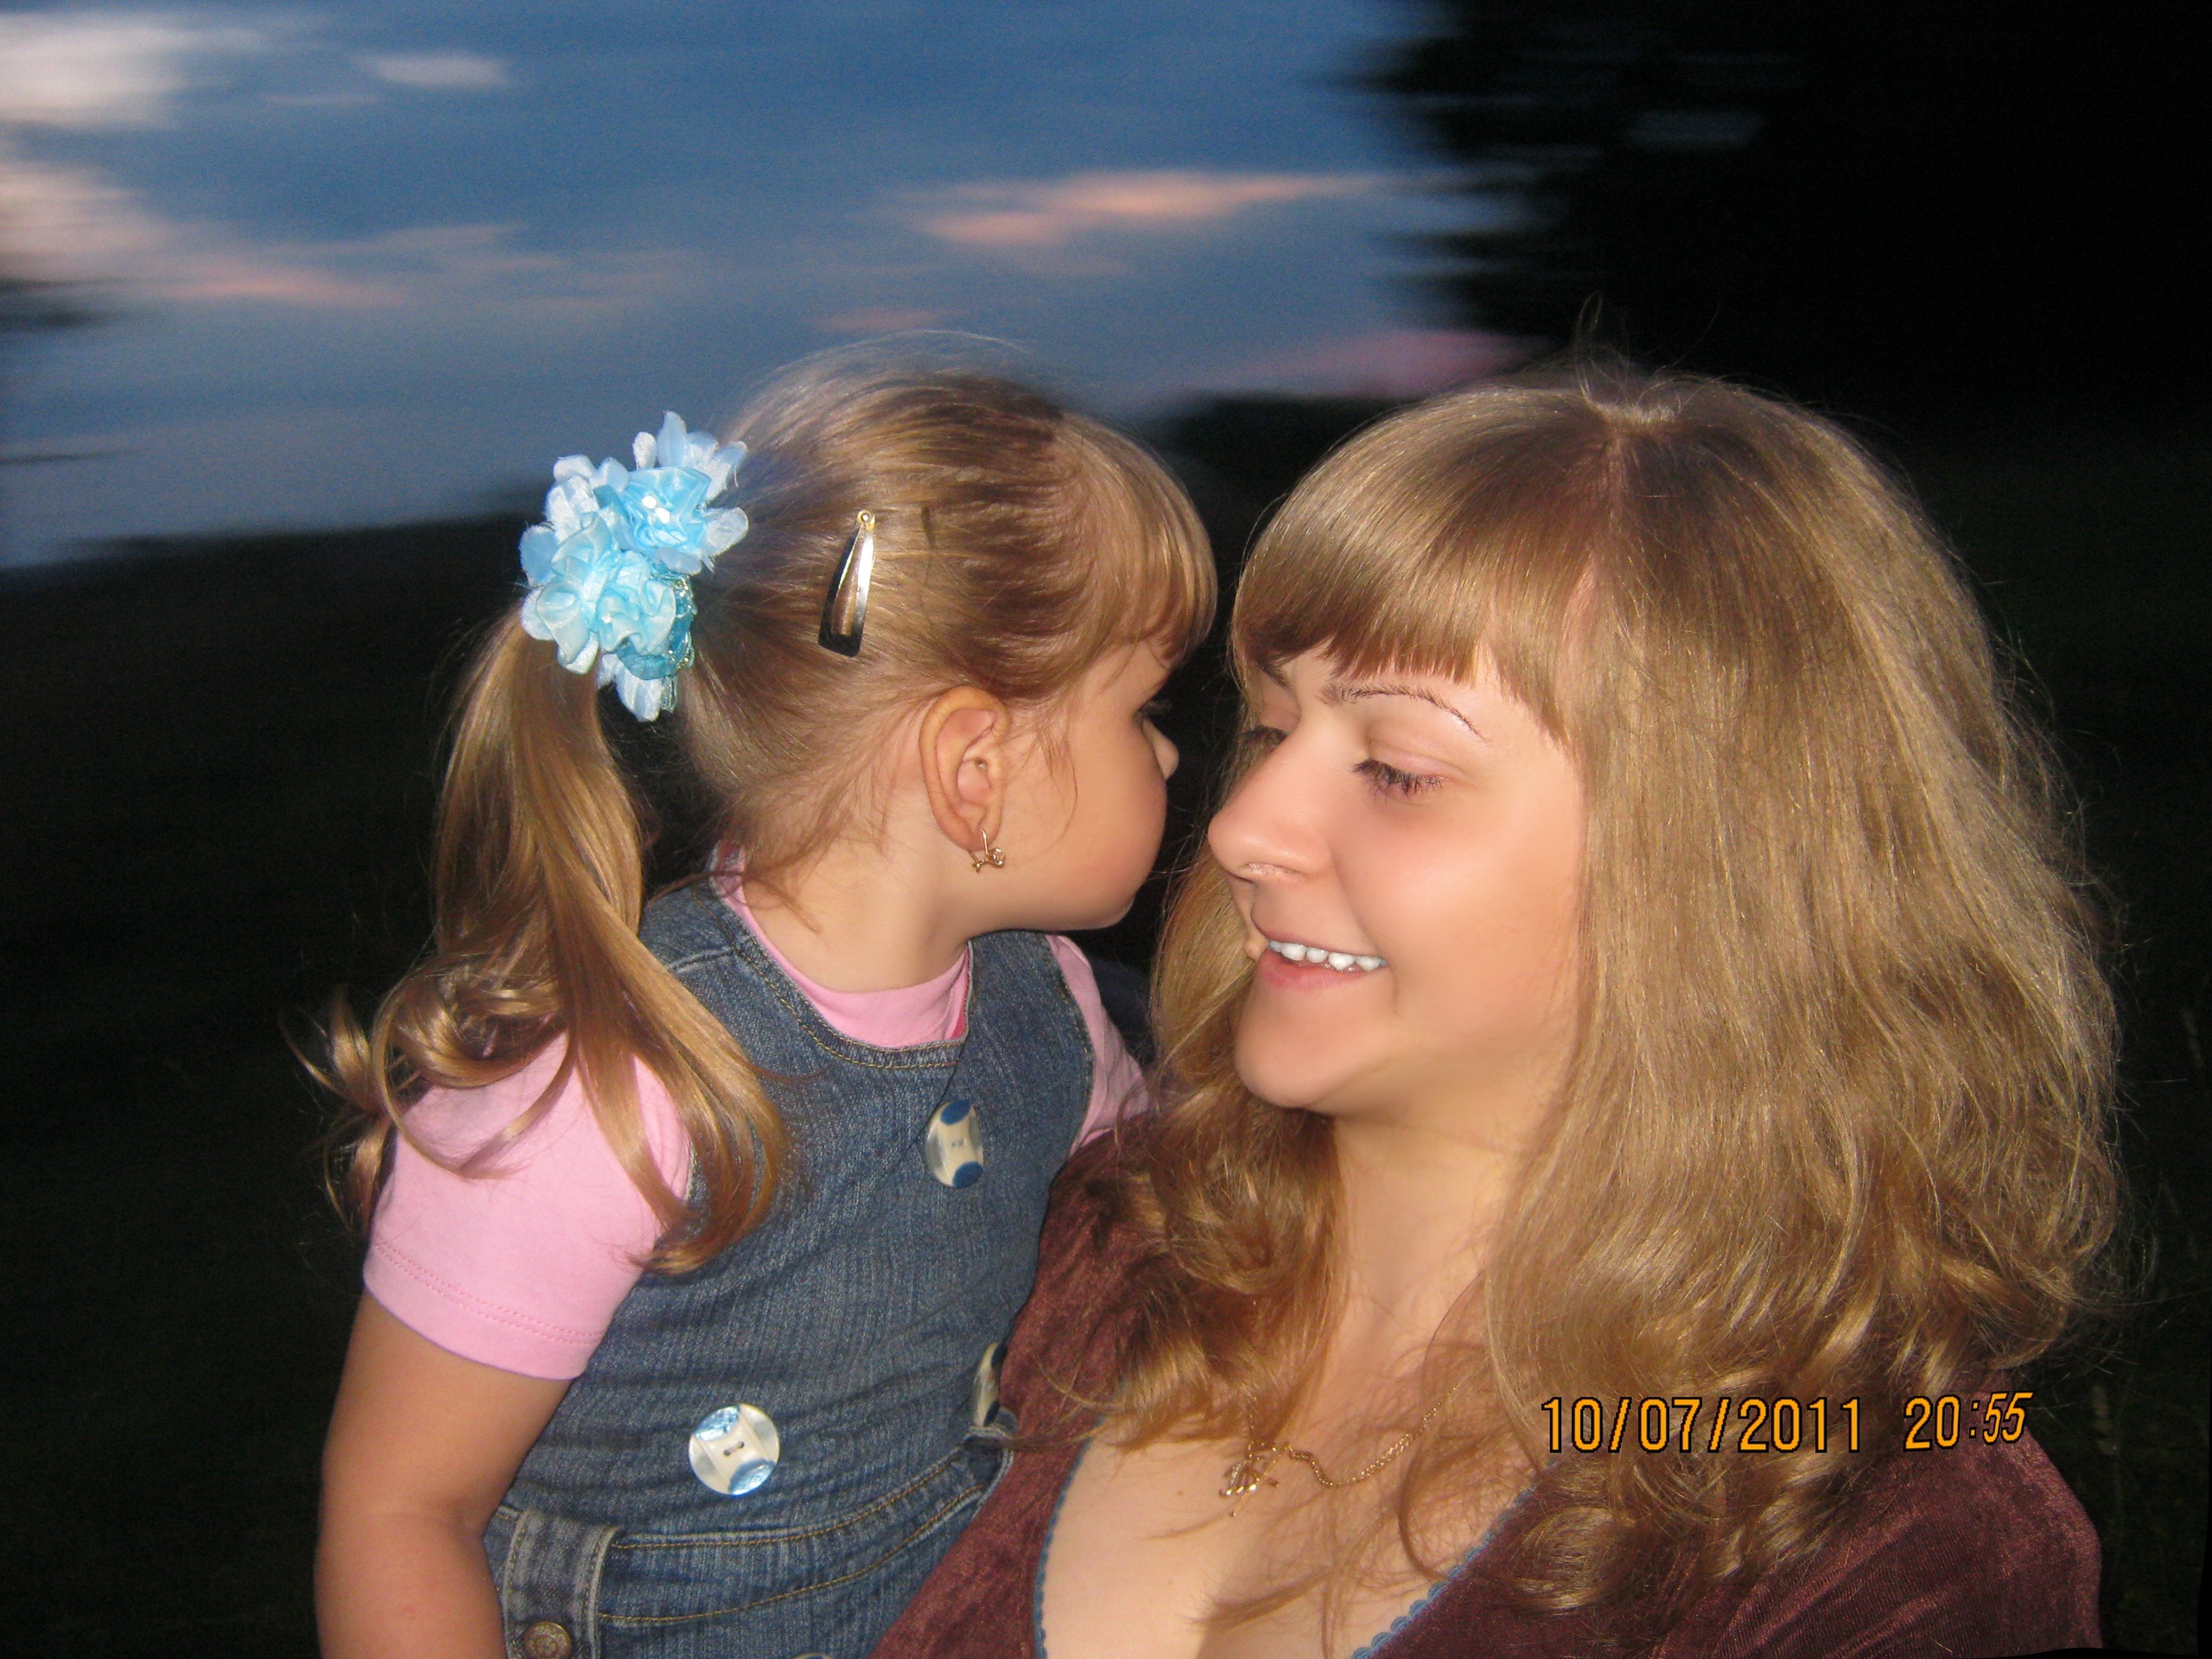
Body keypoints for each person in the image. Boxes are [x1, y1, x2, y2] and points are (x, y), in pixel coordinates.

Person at [875, 365, 2117, 1659]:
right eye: (1273, 727)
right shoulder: (1070, 1246)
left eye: (1398, 770)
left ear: (1717, 868)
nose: (1242, 828)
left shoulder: (1881, 1545)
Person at [312, 356, 1215, 1659]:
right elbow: (401, 1509)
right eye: (1143, 708)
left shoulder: (1052, 1006)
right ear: (974, 770)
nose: (1171, 752)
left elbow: (1168, 1198)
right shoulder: (617, 1081)